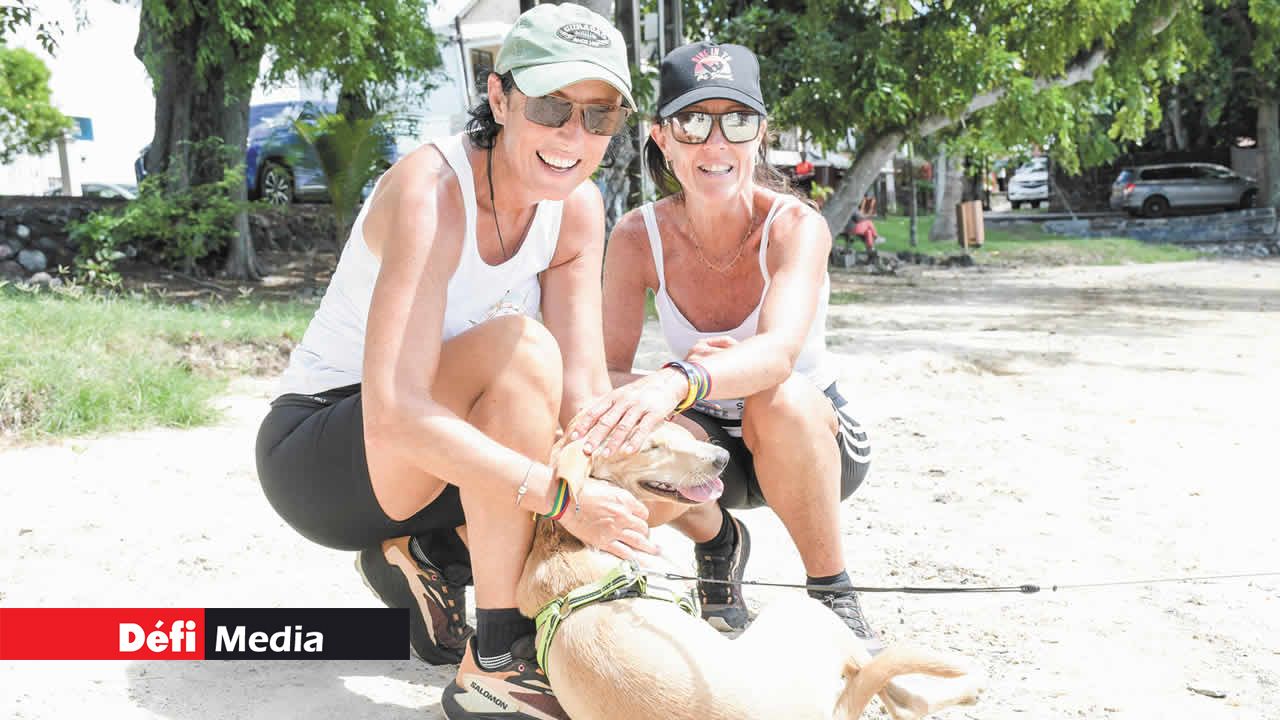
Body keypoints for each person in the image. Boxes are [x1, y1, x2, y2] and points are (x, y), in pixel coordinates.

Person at [254, 6, 650, 719]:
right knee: (521, 350)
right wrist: (561, 498)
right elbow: (396, 414)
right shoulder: (431, 190)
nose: (573, 135)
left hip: (435, 458)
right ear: (498, 98)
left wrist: (616, 500)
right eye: (551, 106)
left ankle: (430, 553)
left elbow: (582, 397)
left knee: (605, 449)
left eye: (599, 116)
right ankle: (495, 660)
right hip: (324, 450)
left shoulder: (578, 208)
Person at [567, 41, 882, 651]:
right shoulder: (636, 236)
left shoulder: (796, 226)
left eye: (737, 121)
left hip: (811, 440)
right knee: (623, 429)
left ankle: (833, 591)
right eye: (692, 122)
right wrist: (660, 393)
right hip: (710, 447)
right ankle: (718, 540)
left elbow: (777, 356)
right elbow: (602, 372)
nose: (715, 143)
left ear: (760, 133)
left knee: (777, 397)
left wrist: (681, 378)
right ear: (662, 136)